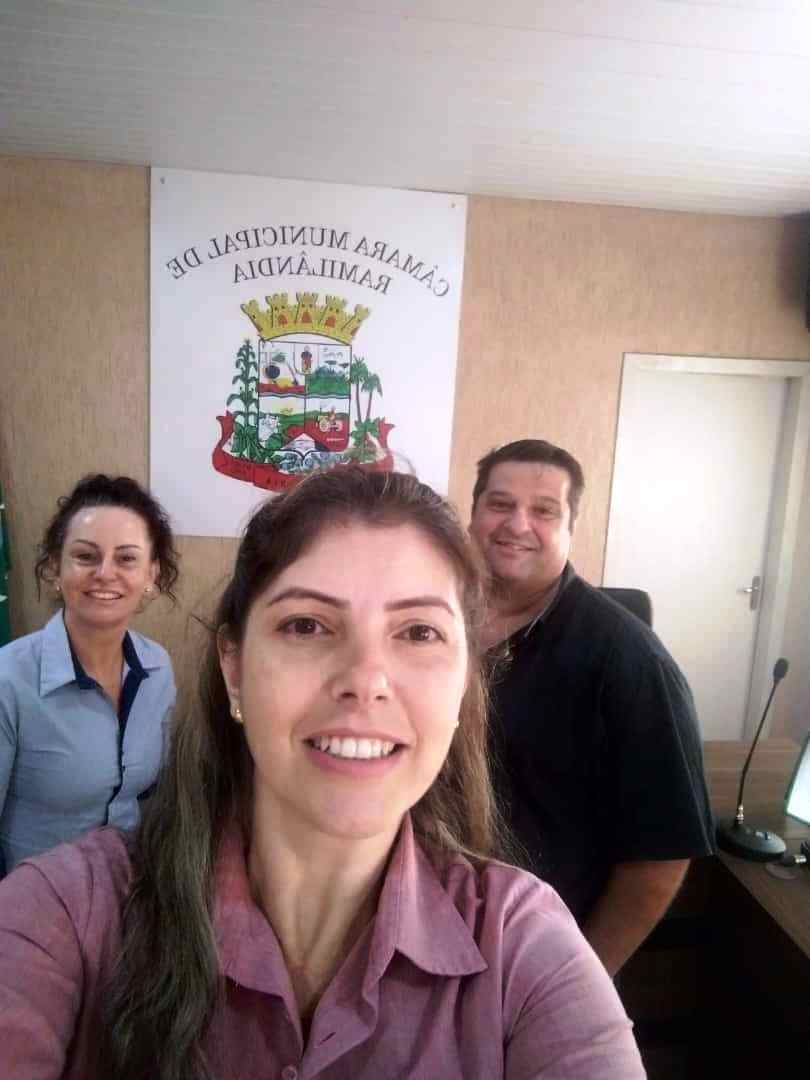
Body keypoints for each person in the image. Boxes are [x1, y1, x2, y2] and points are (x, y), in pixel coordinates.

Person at [0, 467, 644, 1079]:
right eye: (306, 625)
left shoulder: (524, 942)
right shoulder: (61, 913)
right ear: (233, 668)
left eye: (418, 633)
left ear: (465, 684)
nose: (365, 680)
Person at [470, 439, 714, 977]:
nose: (517, 524)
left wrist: (580, 980)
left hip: (530, 954)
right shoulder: (433, 622)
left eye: (544, 510)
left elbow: (661, 856)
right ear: (474, 515)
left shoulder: (632, 662)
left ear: (570, 528)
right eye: (500, 503)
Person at [0, 474, 178, 877]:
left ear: (151, 575)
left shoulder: (158, 668)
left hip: (133, 891)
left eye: (126, 559)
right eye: (85, 556)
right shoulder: (8, 679)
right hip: (36, 904)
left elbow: (157, 795)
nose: (105, 573)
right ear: (54, 567)